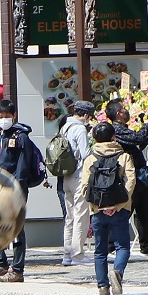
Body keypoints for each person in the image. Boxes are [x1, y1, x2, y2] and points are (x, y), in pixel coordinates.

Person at [0, 97, 45, 283]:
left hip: (15, 189)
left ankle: (17, 269)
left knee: (16, 228)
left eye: (7, 115)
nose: (4, 118)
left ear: (14, 116)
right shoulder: (0, 136)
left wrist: (18, 189)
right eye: (0, 115)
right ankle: (0, 263)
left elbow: (22, 166)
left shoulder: (21, 138)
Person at [76, 121, 133, 295]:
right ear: (113, 137)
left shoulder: (90, 158)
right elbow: (130, 183)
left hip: (98, 210)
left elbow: (85, 187)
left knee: (100, 250)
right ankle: (117, 272)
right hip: (120, 210)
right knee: (122, 246)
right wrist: (117, 206)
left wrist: (98, 206)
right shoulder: (124, 157)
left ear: (94, 138)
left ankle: (102, 286)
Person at [105, 98, 148, 256]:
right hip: (128, 175)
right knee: (125, 211)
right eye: (124, 109)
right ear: (118, 113)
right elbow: (136, 139)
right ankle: (110, 245)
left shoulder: (123, 129)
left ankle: (147, 245)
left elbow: (137, 144)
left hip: (139, 175)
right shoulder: (116, 129)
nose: (127, 111)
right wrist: (147, 127)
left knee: (144, 212)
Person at [47, 100, 95, 266]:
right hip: (79, 177)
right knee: (81, 216)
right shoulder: (80, 129)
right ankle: (78, 254)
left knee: (70, 216)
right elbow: (85, 153)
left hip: (66, 177)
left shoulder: (65, 126)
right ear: (87, 115)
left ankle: (67, 253)